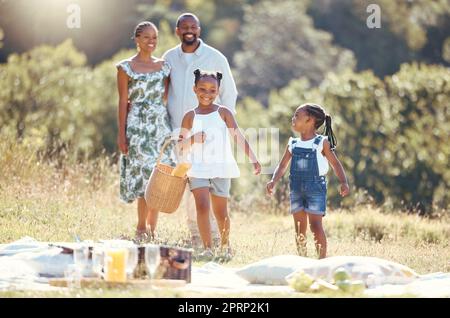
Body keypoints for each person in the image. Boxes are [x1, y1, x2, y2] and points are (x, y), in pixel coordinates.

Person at [163, 13, 238, 248]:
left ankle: (216, 239)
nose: (189, 31)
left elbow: (230, 93)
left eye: (193, 27)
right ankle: (197, 237)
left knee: (213, 192)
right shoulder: (169, 58)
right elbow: (163, 91)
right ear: (177, 31)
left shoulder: (215, 57)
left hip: (210, 137)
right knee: (191, 187)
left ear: (199, 30)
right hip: (180, 133)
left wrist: (224, 125)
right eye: (184, 27)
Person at [177, 69, 261, 259]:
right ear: (194, 89)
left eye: (212, 90)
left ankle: (225, 246)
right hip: (197, 168)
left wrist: (253, 158)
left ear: (218, 91)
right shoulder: (190, 116)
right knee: (202, 207)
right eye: (202, 89)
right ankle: (207, 248)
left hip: (221, 168)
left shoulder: (224, 113)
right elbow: (180, 145)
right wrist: (193, 139)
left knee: (221, 212)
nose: (207, 94)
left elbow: (238, 136)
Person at [266, 103, 350, 259]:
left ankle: (322, 260)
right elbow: (283, 165)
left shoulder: (321, 142)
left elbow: (335, 163)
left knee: (315, 226)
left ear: (310, 120)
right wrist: (273, 181)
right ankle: (302, 259)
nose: (293, 118)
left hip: (315, 187)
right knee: (299, 227)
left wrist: (343, 181)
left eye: (297, 115)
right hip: (296, 188)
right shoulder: (293, 143)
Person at [116, 21, 173, 241]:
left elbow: (167, 96)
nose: (151, 41)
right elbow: (122, 101)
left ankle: (153, 228)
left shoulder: (164, 67)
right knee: (144, 178)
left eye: (155, 37)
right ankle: (141, 228)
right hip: (137, 127)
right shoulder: (125, 68)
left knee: (158, 177)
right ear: (137, 39)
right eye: (147, 37)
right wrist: (122, 134)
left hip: (160, 126)